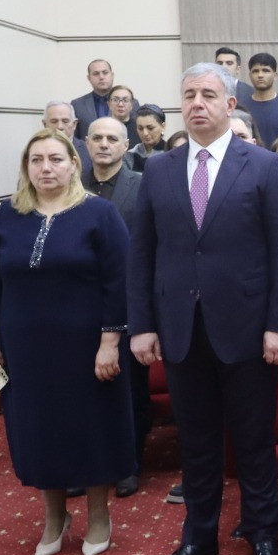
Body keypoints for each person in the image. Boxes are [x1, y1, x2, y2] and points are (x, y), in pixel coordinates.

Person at [129, 64, 278, 555]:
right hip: (181, 328)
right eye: (189, 95)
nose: (197, 103)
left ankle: (263, 534)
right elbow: (143, 253)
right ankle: (198, 537)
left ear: (230, 104)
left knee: (253, 440)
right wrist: (142, 324)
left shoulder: (264, 165)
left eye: (208, 94)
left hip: (248, 328)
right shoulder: (158, 170)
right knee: (197, 441)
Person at [0, 129, 133, 555]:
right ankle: (54, 516)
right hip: (25, 349)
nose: (46, 168)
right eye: (37, 160)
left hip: (87, 347)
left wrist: (110, 343)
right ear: (26, 167)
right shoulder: (7, 215)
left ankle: (98, 515)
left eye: (56, 159)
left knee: (92, 428)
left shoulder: (99, 213)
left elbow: (119, 283)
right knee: (38, 429)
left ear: (73, 164)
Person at [82, 117, 150, 494]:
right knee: (83, 389)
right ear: (86, 143)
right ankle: (89, 463)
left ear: (126, 146)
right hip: (80, 305)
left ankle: (128, 462)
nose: (104, 144)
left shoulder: (142, 186)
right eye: (97, 138)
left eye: (112, 138)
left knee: (130, 388)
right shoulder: (71, 187)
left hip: (129, 302)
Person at [240, 53, 278, 147]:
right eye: (255, 71)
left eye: (266, 71)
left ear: (275, 75)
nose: (260, 75)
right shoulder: (242, 108)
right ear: (250, 75)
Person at [71, 59, 130, 142]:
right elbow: (74, 138)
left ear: (112, 75)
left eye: (105, 73)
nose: (101, 77)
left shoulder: (130, 103)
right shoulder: (77, 105)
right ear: (89, 78)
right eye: (96, 74)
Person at [130, 105, 167, 170]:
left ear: (163, 126)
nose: (145, 133)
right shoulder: (130, 154)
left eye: (150, 128)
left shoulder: (171, 153)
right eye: (140, 128)